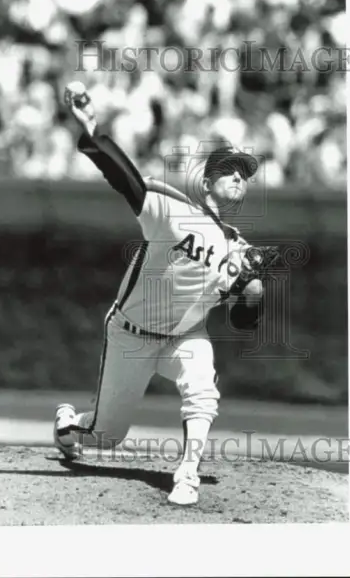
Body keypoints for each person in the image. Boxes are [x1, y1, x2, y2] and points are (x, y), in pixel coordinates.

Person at [54, 81, 269, 506]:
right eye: (230, 169)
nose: (239, 177)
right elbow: (127, 181)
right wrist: (94, 132)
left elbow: (242, 320)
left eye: (244, 174)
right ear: (206, 181)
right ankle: (66, 424)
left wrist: (253, 295)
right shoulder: (174, 211)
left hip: (184, 338)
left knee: (203, 388)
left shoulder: (239, 248)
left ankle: (187, 473)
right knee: (105, 436)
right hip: (131, 335)